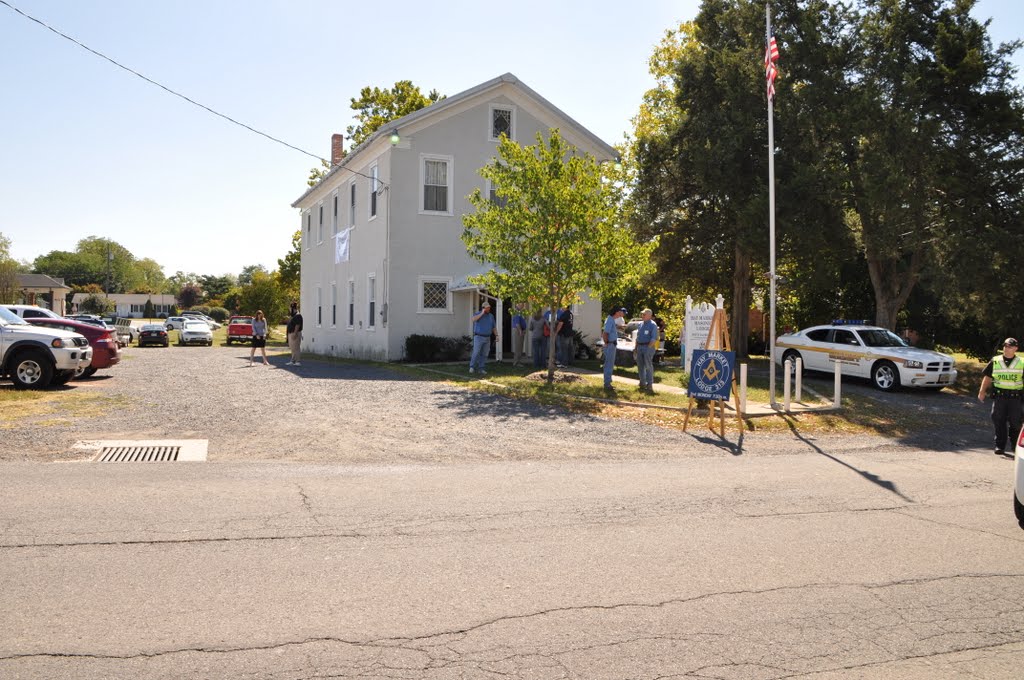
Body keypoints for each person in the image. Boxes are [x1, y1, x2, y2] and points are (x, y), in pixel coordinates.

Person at [978, 337, 1024, 456]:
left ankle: (1015, 447)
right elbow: (987, 377)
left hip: (1016, 398)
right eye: (1005, 346)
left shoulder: (1022, 362)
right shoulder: (996, 360)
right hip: (1000, 397)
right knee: (998, 421)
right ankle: (1000, 446)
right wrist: (982, 391)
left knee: (1016, 423)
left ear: (1015, 348)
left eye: (1009, 346)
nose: (1006, 348)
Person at [602, 307, 627, 390]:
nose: (621, 314)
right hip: (610, 345)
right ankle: (607, 384)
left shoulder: (611, 320)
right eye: (620, 312)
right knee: (609, 364)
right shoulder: (610, 320)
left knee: (610, 364)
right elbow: (605, 333)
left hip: (611, 344)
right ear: (616, 312)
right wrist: (606, 343)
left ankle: (608, 382)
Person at [469, 300, 497, 375]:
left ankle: (481, 368)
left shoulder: (491, 316)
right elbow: (473, 320)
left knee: (485, 354)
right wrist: (482, 313)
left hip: (487, 337)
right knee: (476, 352)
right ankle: (472, 367)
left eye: (489, 308)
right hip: (478, 337)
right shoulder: (478, 314)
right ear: (483, 308)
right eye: (487, 308)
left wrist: (496, 336)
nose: (489, 309)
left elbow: (493, 327)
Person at [635, 308, 659, 392]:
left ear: (649, 315)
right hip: (640, 347)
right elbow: (637, 337)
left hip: (648, 347)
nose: (642, 316)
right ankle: (642, 382)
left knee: (648, 366)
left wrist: (648, 348)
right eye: (642, 314)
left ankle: (649, 384)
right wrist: (635, 348)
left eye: (644, 314)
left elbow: (654, 339)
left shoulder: (653, 325)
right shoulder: (640, 324)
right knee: (640, 366)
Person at [511, 303, 528, 367]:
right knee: (518, 346)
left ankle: (519, 361)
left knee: (520, 346)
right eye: (521, 304)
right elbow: (517, 323)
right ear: (517, 305)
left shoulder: (520, 312)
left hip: (521, 330)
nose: (523, 306)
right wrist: (520, 331)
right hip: (518, 330)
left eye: (523, 305)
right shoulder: (517, 312)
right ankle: (516, 362)